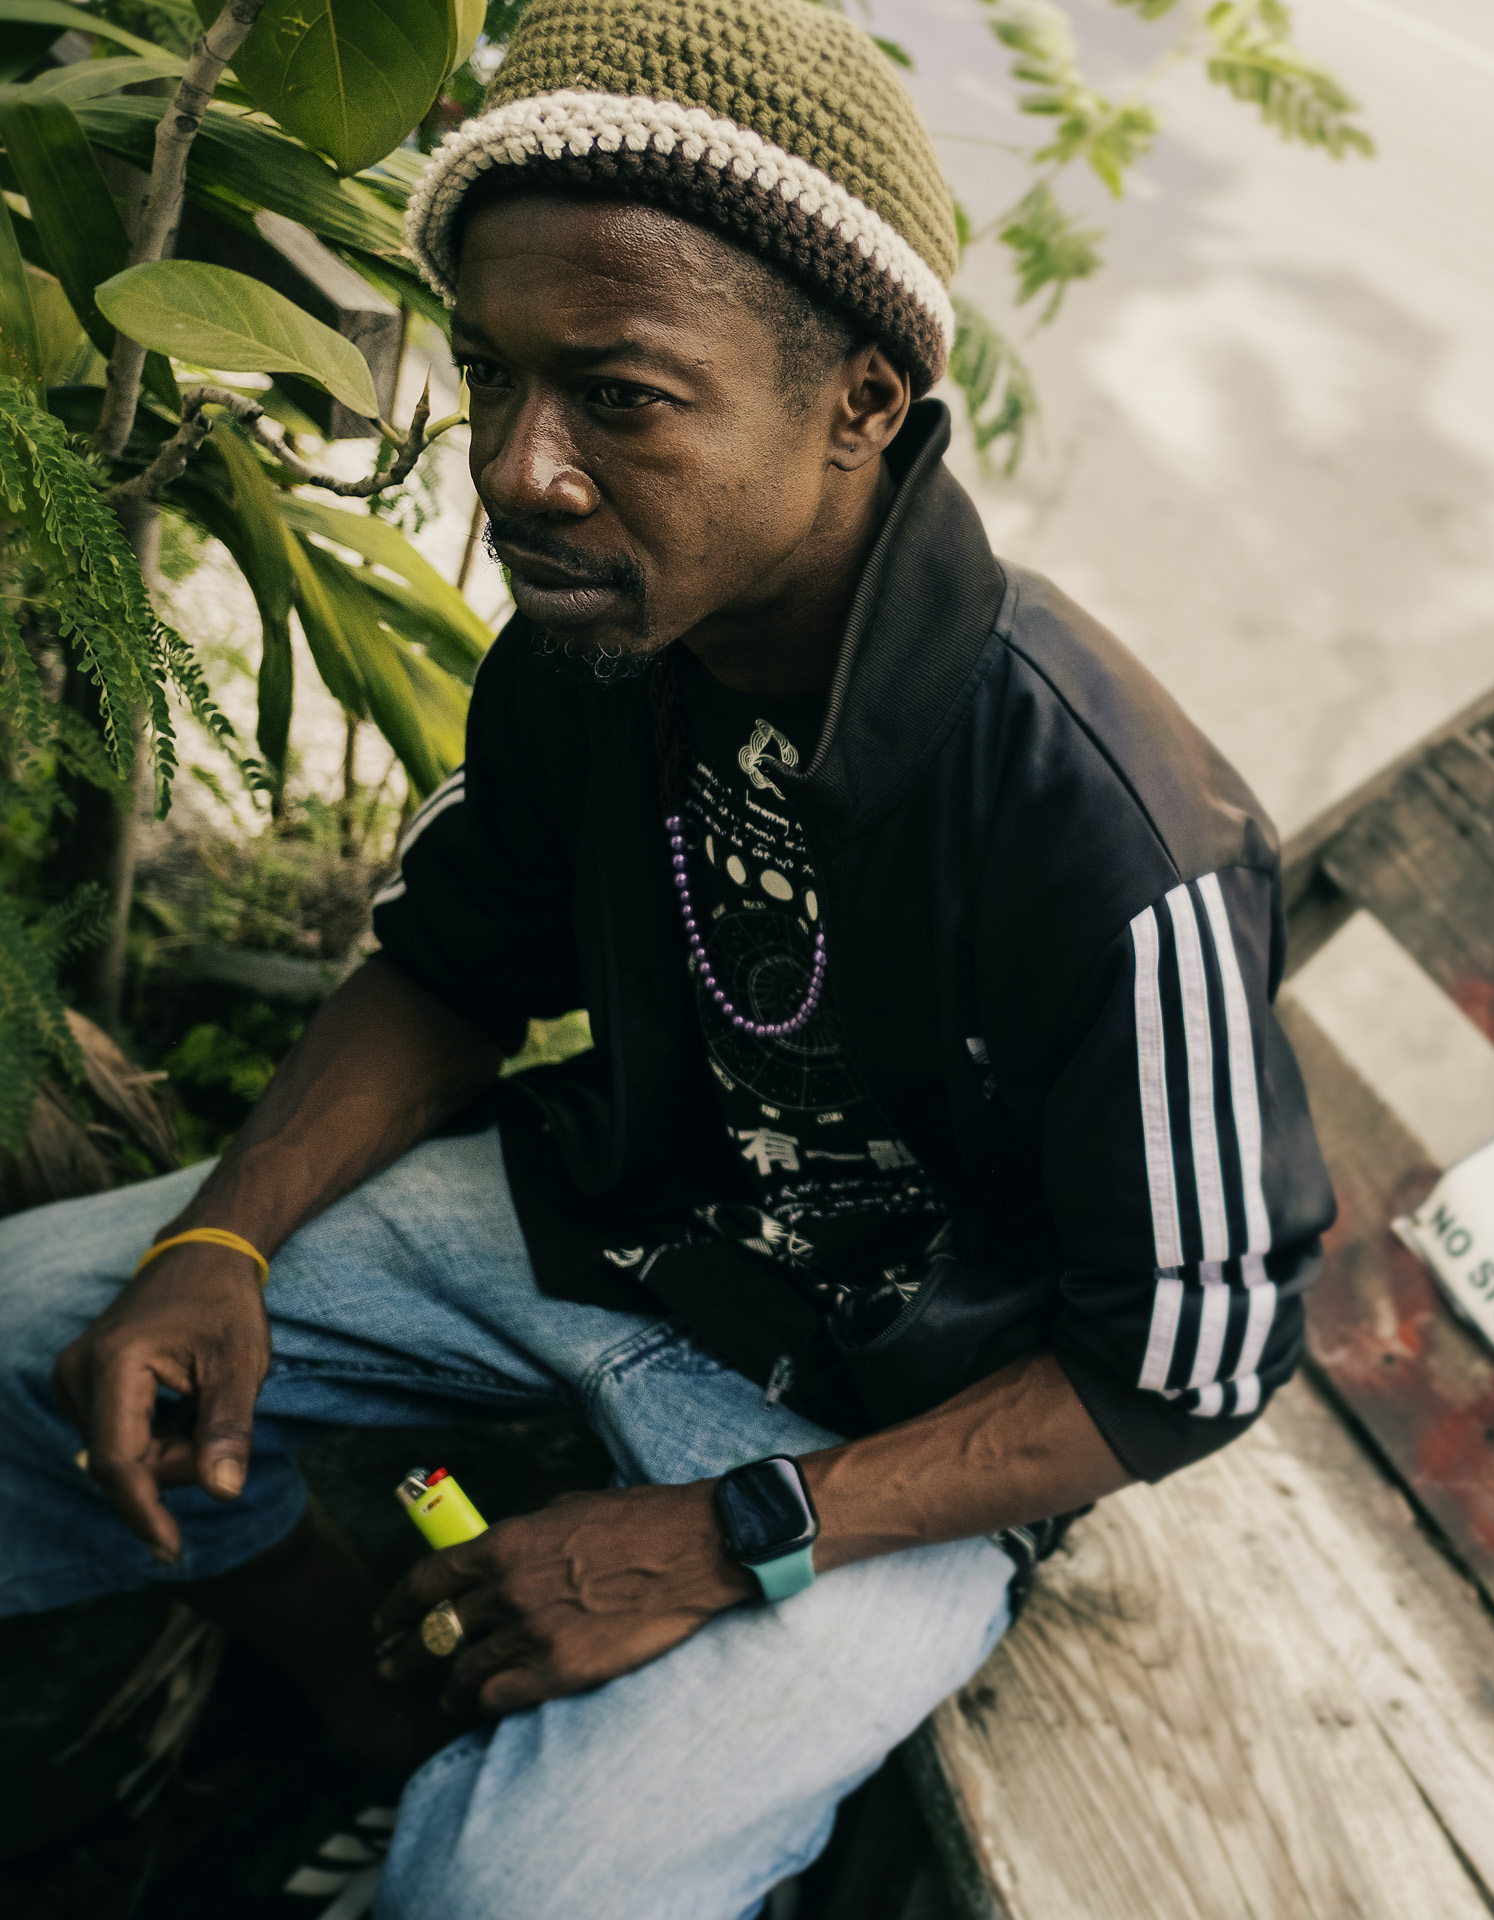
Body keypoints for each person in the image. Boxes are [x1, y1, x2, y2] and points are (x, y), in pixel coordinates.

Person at [0, 0, 1334, 1910]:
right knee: (41, 1339)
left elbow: (1198, 1354)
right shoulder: (604, 635)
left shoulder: (1108, 829)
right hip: (619, 1232)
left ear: (861, 400)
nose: (523, 470)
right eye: (492, 375)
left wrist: (724, 1536)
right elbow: (457, 959)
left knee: (513, 1897)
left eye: (621, 393)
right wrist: (220, 1241)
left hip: (902, 1426)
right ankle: (362, 1710)